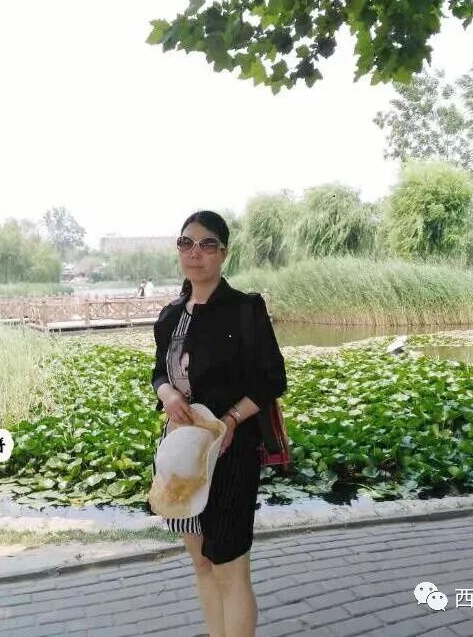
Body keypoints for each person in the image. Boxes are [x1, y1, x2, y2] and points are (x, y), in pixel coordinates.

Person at [151, 210, 287, 637]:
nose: (196, 253)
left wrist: (230, 420)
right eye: (186, 243)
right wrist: (167, 393)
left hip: (230, 452)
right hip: (181, 454)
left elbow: (272, 379)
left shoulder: (245, 309)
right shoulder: (170, 316)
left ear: (223, 254)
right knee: (202, 563)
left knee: (229, 566)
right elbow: (159, 373)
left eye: (207, 244)